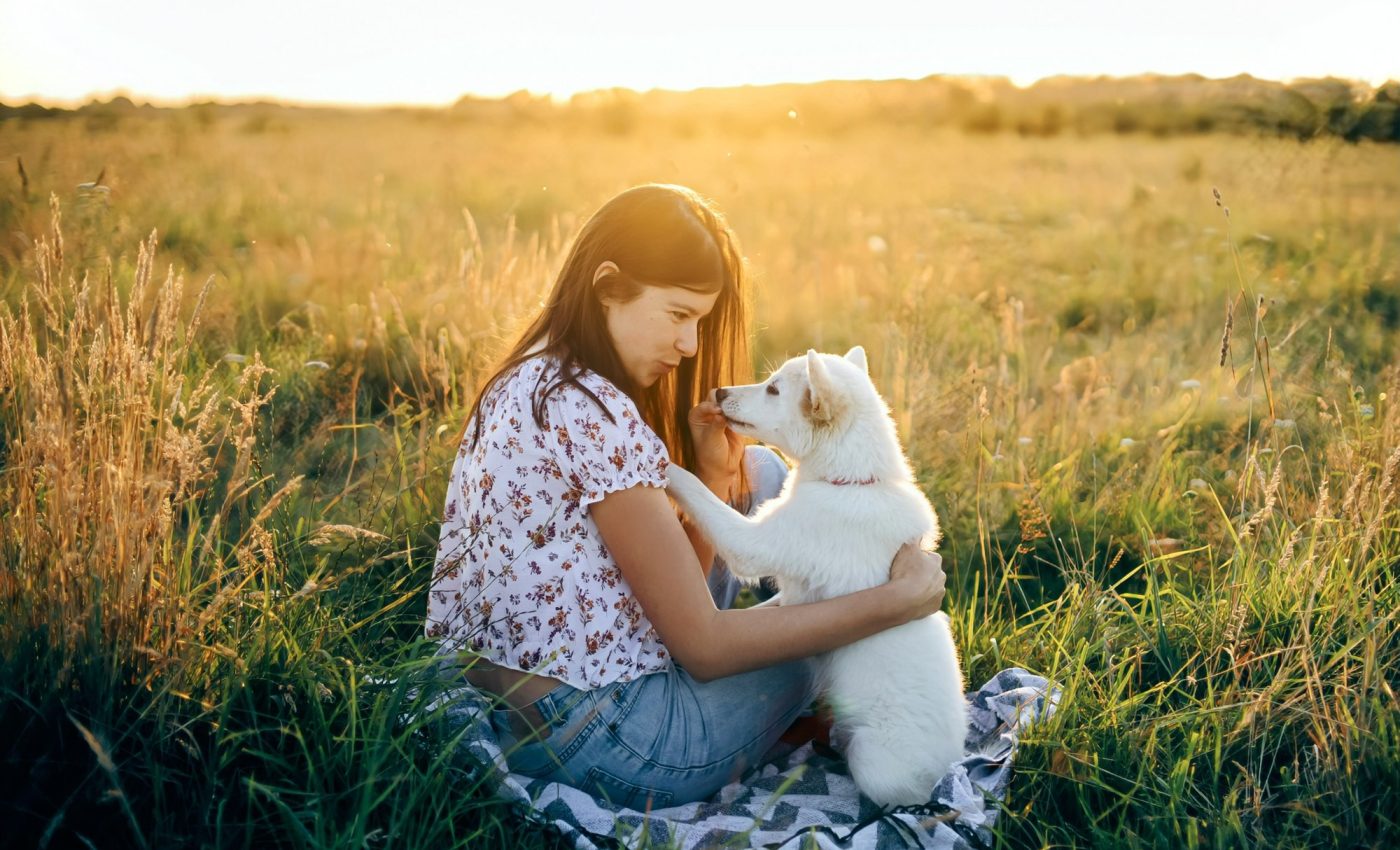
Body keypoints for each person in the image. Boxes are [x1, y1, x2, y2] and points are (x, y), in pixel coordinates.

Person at [426, 183, 947, 810]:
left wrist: (711, 472)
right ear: (608, 285)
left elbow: (674, 601)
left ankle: (806, 678)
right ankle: (834, 684)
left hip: (534, 703)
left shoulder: (532, 375)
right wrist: (894, 602)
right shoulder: (594, 413)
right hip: (611, 742)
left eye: (699, 321)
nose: (691, 346)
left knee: (762, 474)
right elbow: (701, 648)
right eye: (677, 315)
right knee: (836, 634)